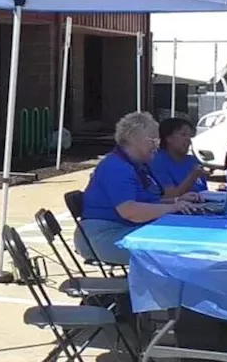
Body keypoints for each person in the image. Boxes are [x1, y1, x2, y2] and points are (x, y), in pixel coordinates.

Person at [74, 111, 199, 266]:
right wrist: (173, 207)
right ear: (135, 138)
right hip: (103, 238)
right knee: (174, 250)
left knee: (179, 239)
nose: (157, 144)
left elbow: (144, 202)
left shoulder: (135, 166)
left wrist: (176, 200)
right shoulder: (116, 167)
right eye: (153, 138)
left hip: (118, 230)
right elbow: (130, 211)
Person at [150, 116, 210, 197]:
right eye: (183, 134)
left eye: (190, 136)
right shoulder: (157, 160)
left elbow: (204, 192)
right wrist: (193, 176)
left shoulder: (192, 160)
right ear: (168, 138)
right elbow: (170, 196)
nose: (188, 139)